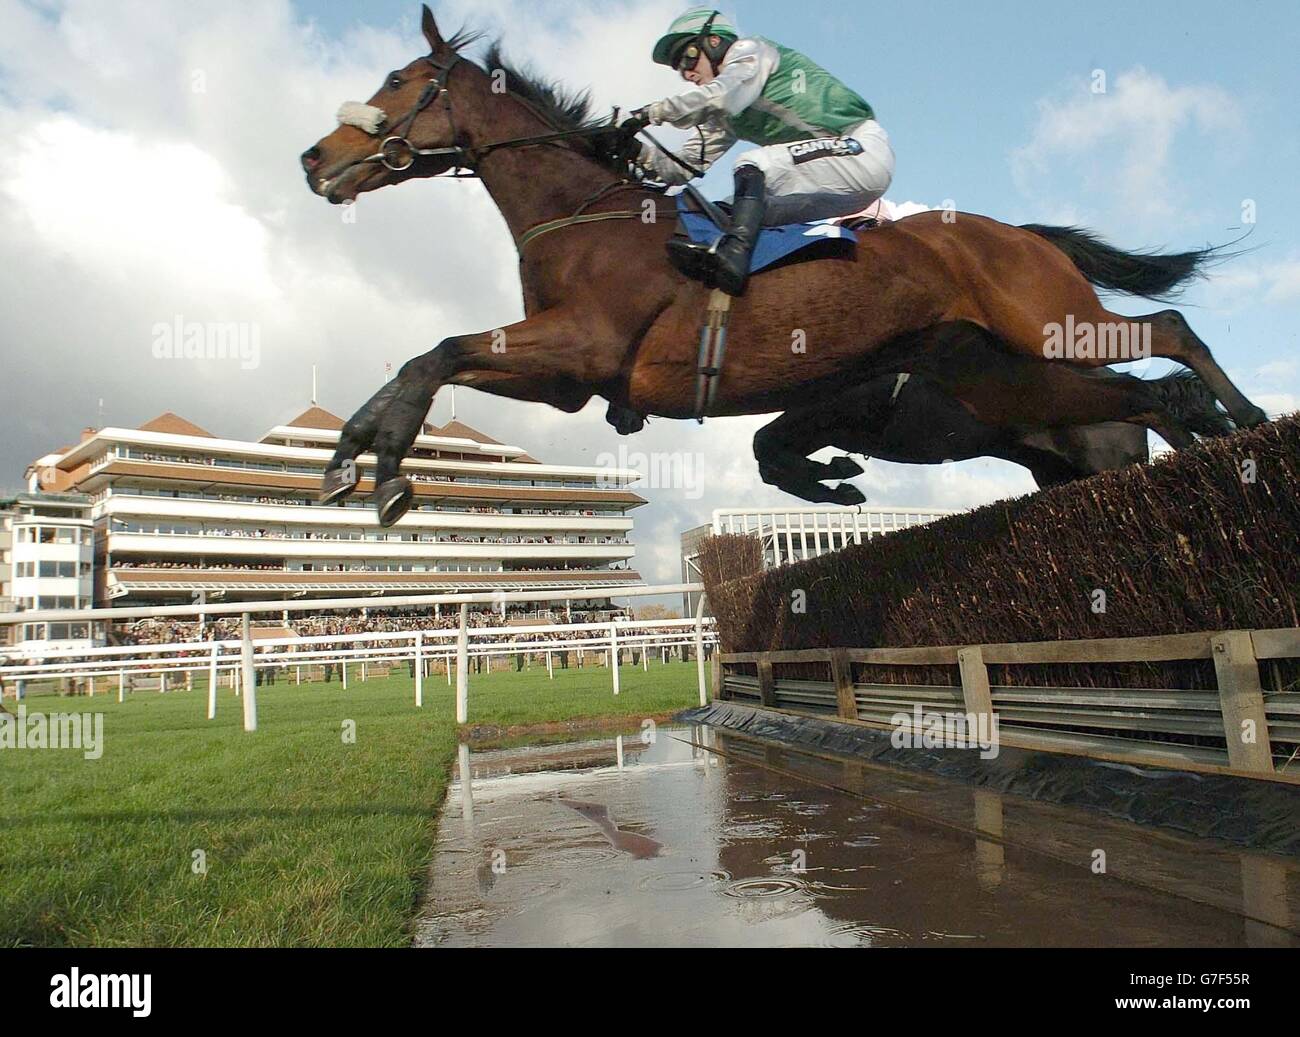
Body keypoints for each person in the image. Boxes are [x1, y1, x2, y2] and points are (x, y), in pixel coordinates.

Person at [625, 8, 894, 296]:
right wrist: (636, 150)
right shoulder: (723, 116)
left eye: (688, 57)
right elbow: (682, 168)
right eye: (679, 68)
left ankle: (734, 259)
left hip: (862, 149)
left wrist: (651, 113)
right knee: (723, 211)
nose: (687, 73)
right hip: (836, 183)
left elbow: (723, 95)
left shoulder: (751, 51)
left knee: (753, 163)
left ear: (714, 42)